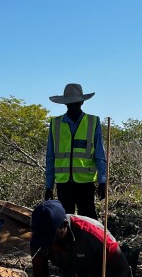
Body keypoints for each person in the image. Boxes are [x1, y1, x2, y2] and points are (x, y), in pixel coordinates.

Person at [30, 199, 130, 277]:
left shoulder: (92, 232)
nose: (47, 241)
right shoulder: (37, 239)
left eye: (51, 235)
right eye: (42, 235)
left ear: (64, 225)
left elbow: (122, 268)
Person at [45, 83, 107, 219]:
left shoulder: (93, 121)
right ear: (65, 104)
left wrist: (103, 181)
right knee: (65, 221)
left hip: (86, 182)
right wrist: (48, 185)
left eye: (75, 103)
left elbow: (100, 154)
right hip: (63, 183)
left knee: (89, 219)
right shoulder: (55, 123)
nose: (72, 107)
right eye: (69, 104)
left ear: (82, 102)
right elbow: (50, 156)